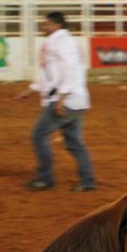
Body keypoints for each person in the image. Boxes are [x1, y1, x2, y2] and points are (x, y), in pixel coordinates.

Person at [14, 12, 96, 192]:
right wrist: (31, 90)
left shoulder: (62, 43)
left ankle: (45, 178)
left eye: (46, 24)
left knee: (39, 135)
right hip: (76, 99)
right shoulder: (65, 42)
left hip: (65, 99)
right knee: (74, 142)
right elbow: (52, 72)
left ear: (57, 24)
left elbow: (70, 70)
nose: (43, 27)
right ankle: (88, 181)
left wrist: (62, 97)